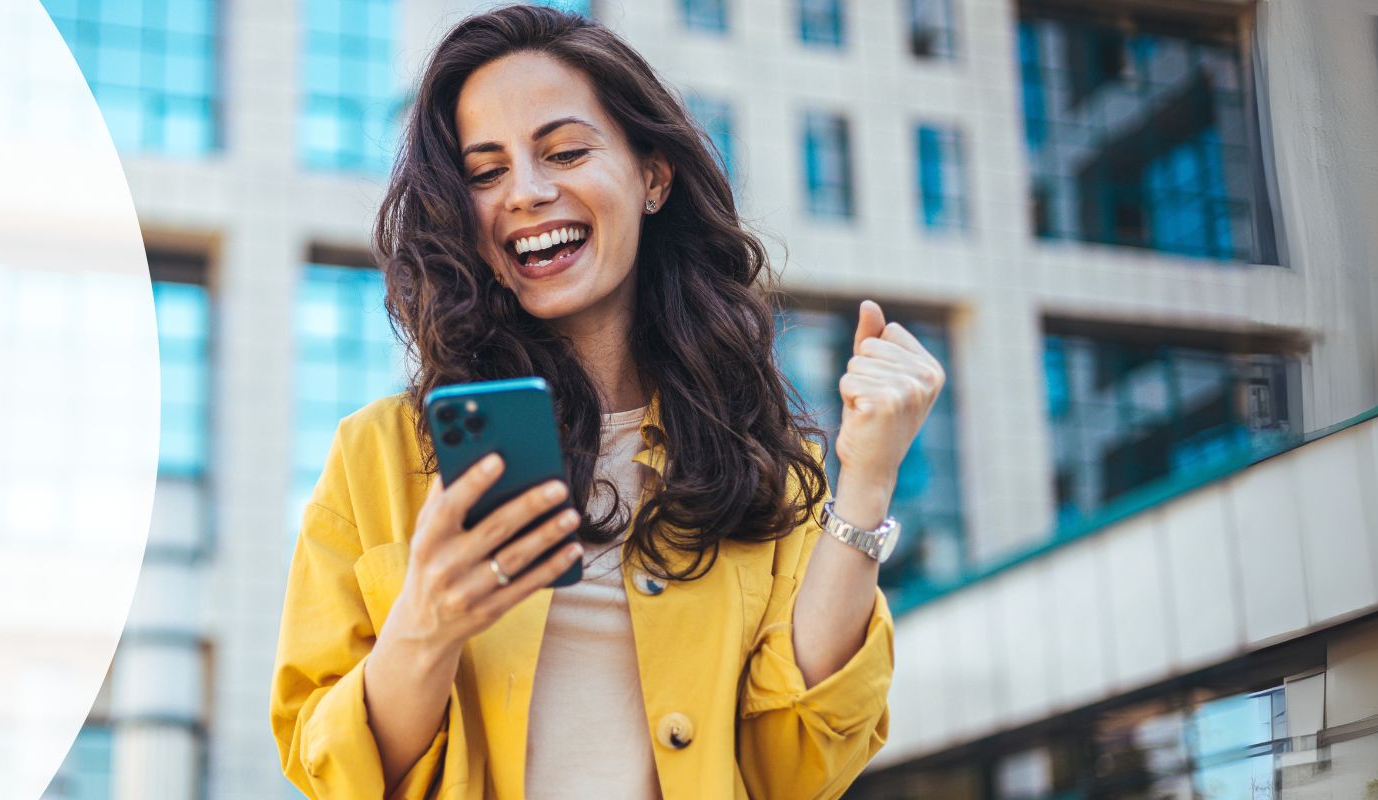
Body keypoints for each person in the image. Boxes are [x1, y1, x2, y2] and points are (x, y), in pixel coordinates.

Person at [267, 6, 946, 799]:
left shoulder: (763, 462)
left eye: (564, 152)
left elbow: (799, 763)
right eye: (485, 173)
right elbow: (332, 771)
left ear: (653, 177)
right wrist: (424, 625)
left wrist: (867, 479)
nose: (526, 192)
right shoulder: (378, 458)